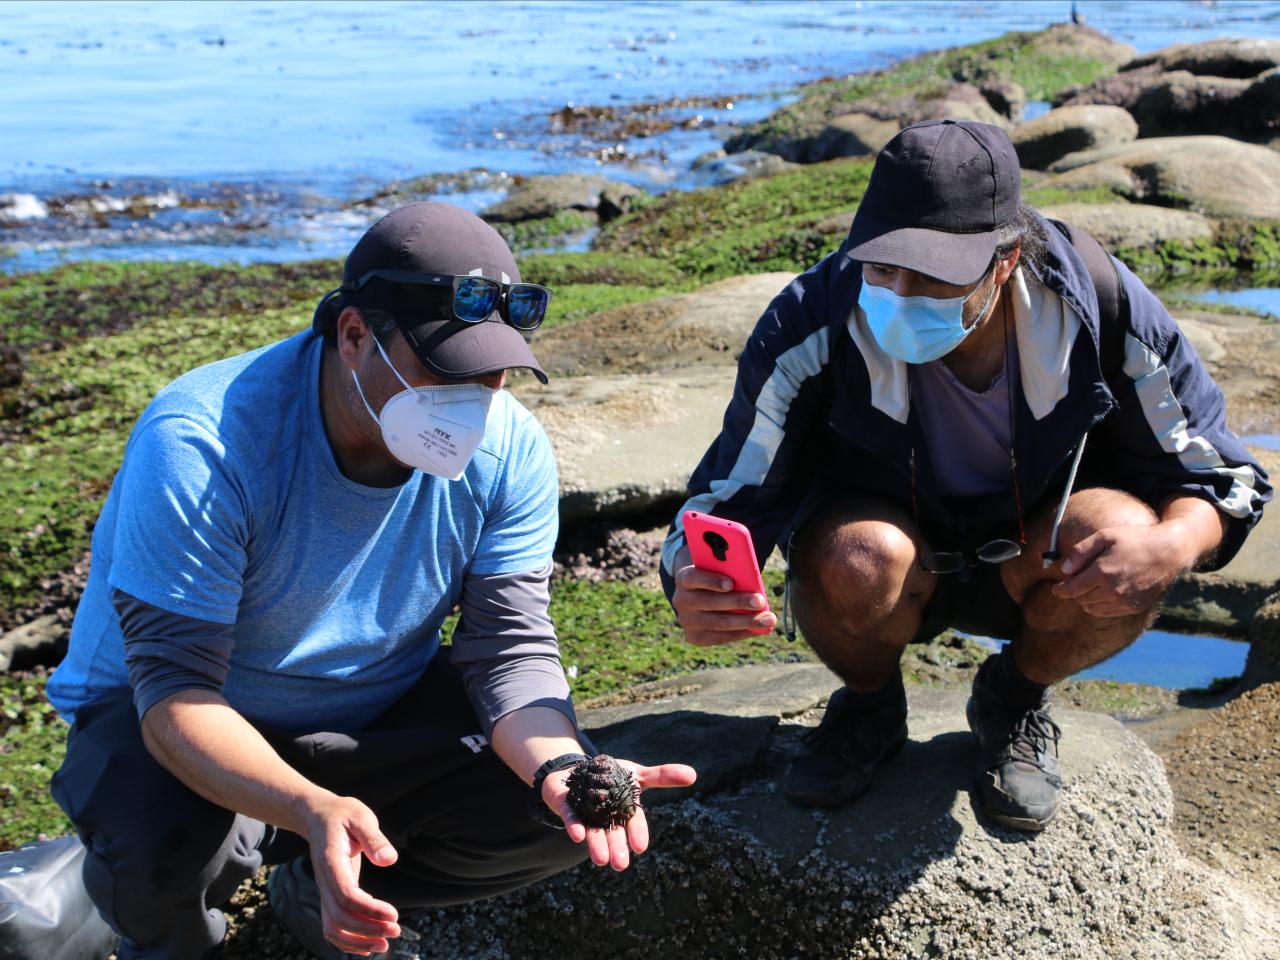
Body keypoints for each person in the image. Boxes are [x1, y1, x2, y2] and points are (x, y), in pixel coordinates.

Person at [46, 201, 695, 960]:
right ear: (354, 336)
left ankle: (334, 887)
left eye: (491, 376)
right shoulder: (206, 441)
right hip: (180, 715)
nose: (472, 402)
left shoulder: (507, 448)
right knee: (161, 855)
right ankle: (153, 928)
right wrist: (310, 806)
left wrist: (561, 767)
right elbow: (174, 696)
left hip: (374, 708)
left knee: (555, 817)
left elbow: (510, 650)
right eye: (444, 371)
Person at [661, 119, 1269, 832]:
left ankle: (1014, 698)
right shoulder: (814, 319)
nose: (899, 292)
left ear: (1005, 260)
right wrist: (691, 580)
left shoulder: (1100, 307)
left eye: (933, 275)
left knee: (1129, 531)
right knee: (858, 557)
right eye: (883, 267)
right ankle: (869, 707)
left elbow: (1226, 476)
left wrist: (1174, 545)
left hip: (1039, 565)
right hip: (886, 565)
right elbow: (726, 494)